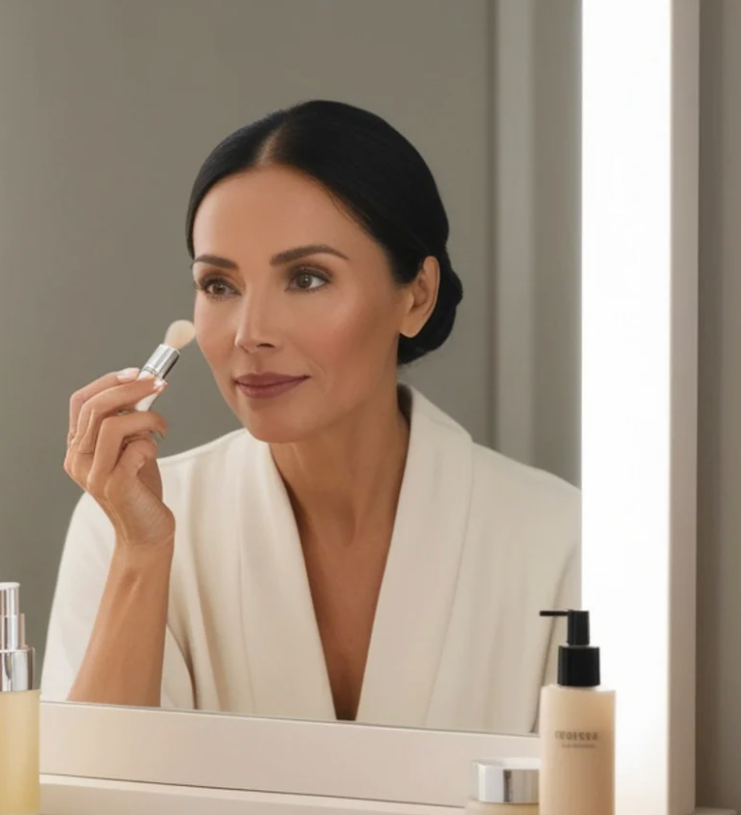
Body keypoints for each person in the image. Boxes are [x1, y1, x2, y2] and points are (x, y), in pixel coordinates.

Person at [42, 101, 579, 734]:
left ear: (417, 295)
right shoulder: (128, 525)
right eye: (219, 285)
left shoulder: (558, 537)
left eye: (307, 278)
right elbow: (95, 810)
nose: (251, 333)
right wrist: (140, 551)